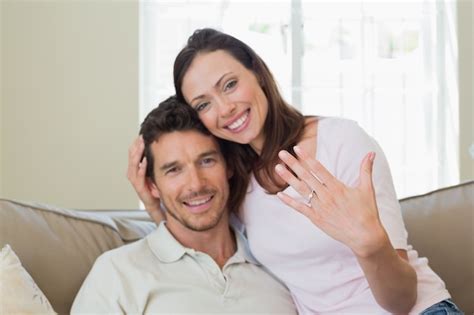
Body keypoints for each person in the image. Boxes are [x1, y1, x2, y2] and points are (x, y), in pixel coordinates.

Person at [128, 29, 462, 314]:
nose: (225, 108)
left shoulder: (340, 142)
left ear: (257, 72)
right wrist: (154, 203)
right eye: (203, 104)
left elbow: (402, 301)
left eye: (229, 85)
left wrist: (370, 245)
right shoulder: (237, 180)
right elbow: (202, 245)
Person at [72, 96, 297, 314]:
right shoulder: (117, 273)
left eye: (207, 161)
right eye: (173, 170)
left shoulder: (279, 265)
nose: (196, 184)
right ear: (151, 185)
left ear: (228, 166)